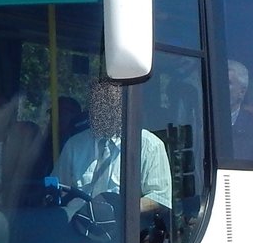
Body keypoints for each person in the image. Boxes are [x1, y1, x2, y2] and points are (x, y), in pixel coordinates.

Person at [52, 78, 171, 213]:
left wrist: (119, 210)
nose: (102, 109)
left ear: (124, 106)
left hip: (123, 229)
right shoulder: (74, 145)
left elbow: (160, 197)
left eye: (110, 104)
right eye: (97, 103)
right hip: (75, 226)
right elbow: (56, 189)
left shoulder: (149, 145)